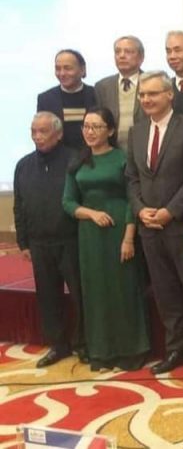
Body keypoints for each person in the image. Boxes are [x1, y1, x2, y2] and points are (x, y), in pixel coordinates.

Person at [125, 71, 183, 379]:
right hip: (149, 228)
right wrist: (140, 210)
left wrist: (170, 211)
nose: (146, 99)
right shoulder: (136, 132)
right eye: (142, 95)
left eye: (153, 94)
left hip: (180, 225)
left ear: (169, 94)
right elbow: (131, 178)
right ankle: (176, 349)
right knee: (166, 293)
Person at [62, 108, 150, 371]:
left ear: (110, 130)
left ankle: (131, 350)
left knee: (124, 290)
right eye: (86, 126)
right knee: (96, 293)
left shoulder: (122, 158)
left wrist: (129, 238)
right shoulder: (77, 162)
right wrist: (91, 214)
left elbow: (132, 199)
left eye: (96, 127)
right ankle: (101, 351)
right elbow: (68, 202)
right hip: (90, 236)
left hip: (120, 230)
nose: (90, 132)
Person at [13, 112, 85, 367]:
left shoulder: (74, 160)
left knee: (80, 295)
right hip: (39, 243)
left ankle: (83, 343)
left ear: (59, 134)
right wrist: (23, 242)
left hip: (70, 240)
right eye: (33, 131)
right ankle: (58, 345)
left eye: (43, 131)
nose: (37, 136)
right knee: (48, 297)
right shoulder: (23, 165)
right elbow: (19, 205)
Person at [37, 49, 98, 150]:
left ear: (82, 69)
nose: (62, 73)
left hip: (92, 154)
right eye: (58, 69)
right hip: (58, 156)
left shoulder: (96, 94)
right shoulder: (46, 99)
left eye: (68, 68)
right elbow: (42, 134)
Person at [95, 35, 146, 150]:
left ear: (141, 57)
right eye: (117, 52)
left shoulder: (151, 83)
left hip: (144, 149)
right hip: (112, 151)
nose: (122, 56)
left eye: (128, 51)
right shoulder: (102, 87)